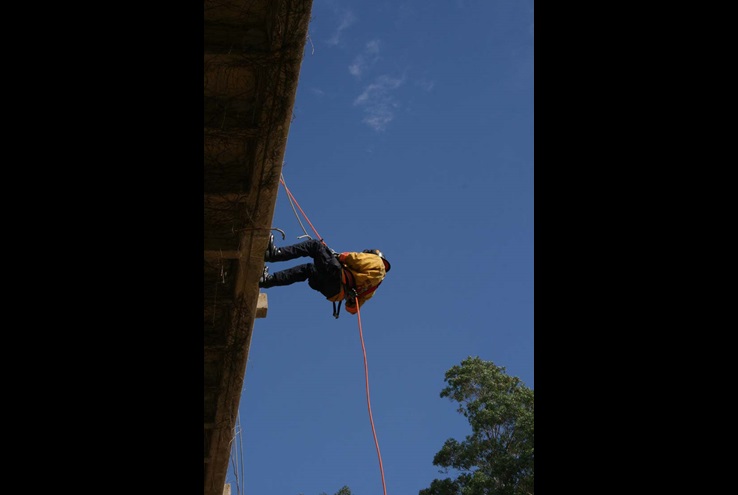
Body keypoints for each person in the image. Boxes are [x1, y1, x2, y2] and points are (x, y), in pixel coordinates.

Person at [258, 234, 391, 316]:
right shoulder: (372, 290)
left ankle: (275, 254)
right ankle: (267, 280)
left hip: (337, 278)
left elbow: (353, 258)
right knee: (308, 270)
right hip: (333, 293)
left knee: (315, 246)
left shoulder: (377, 262)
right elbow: (352, 309)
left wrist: (339, 256)